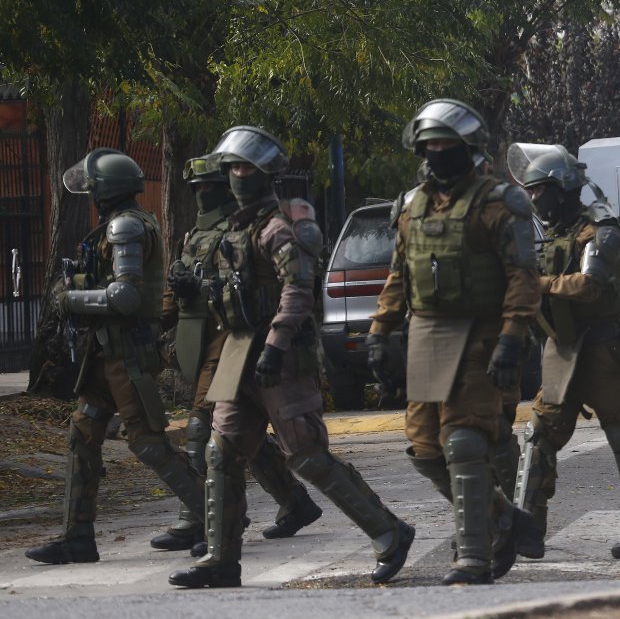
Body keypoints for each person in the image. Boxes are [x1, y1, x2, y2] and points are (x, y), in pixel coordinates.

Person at [168, 126, 414, 588]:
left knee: (306, 455)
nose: (239, 175)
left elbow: (298, 291)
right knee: (221, 453)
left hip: (279, 359)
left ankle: (390, 533)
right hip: (238, 353)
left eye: (247, 168)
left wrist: (276, 344)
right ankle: (221, 560)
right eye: (234, 167)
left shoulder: (278, 229)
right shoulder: (235, 230)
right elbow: (231, 291)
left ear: (264, 175)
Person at [367, 99, 537, 585]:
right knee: (425, 451)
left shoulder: (500, 204)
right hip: (427, 336)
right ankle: (503, 519)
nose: (437, 152)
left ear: (469, 147)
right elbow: (399, 275)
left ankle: (474, 557)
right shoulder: (411, 206)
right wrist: (380, 330)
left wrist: (511, 337)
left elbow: (523, 276)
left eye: (446, 144)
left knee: (463, 442)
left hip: (481, 335)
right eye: (430, 145)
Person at [26, 148, 206, 565]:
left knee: (145, 442)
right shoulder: (120, 224)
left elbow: (124, 296)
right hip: (107, 354)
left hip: (127, 354)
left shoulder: (125, 226)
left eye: (92, 188)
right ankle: (77, 537)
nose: (89, 194)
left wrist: (69, 298)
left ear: (105, 191)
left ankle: (218, 516)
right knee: (83, 433)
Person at [156, 154, 321, 555]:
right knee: (233, 438)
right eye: (198, 188)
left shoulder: (250, 227)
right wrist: (164, 311)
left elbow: (245, 283)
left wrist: (200, 285)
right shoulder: (198, 233)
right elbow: (180, 285)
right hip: (206, 339)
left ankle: (199, 519)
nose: (203, 195)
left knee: (204, 431)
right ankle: (292, 502)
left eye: (209, 186)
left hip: (233, 339)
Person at [511, 143, 620, 560]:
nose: (533, 198)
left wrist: (538, 286)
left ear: (562, 187)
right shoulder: (552, 235)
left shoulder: (601, 230)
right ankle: (525, 531)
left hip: (602, 347)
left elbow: (589, 286)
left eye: (538, 190)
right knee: (540, 436)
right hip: (562, 348)